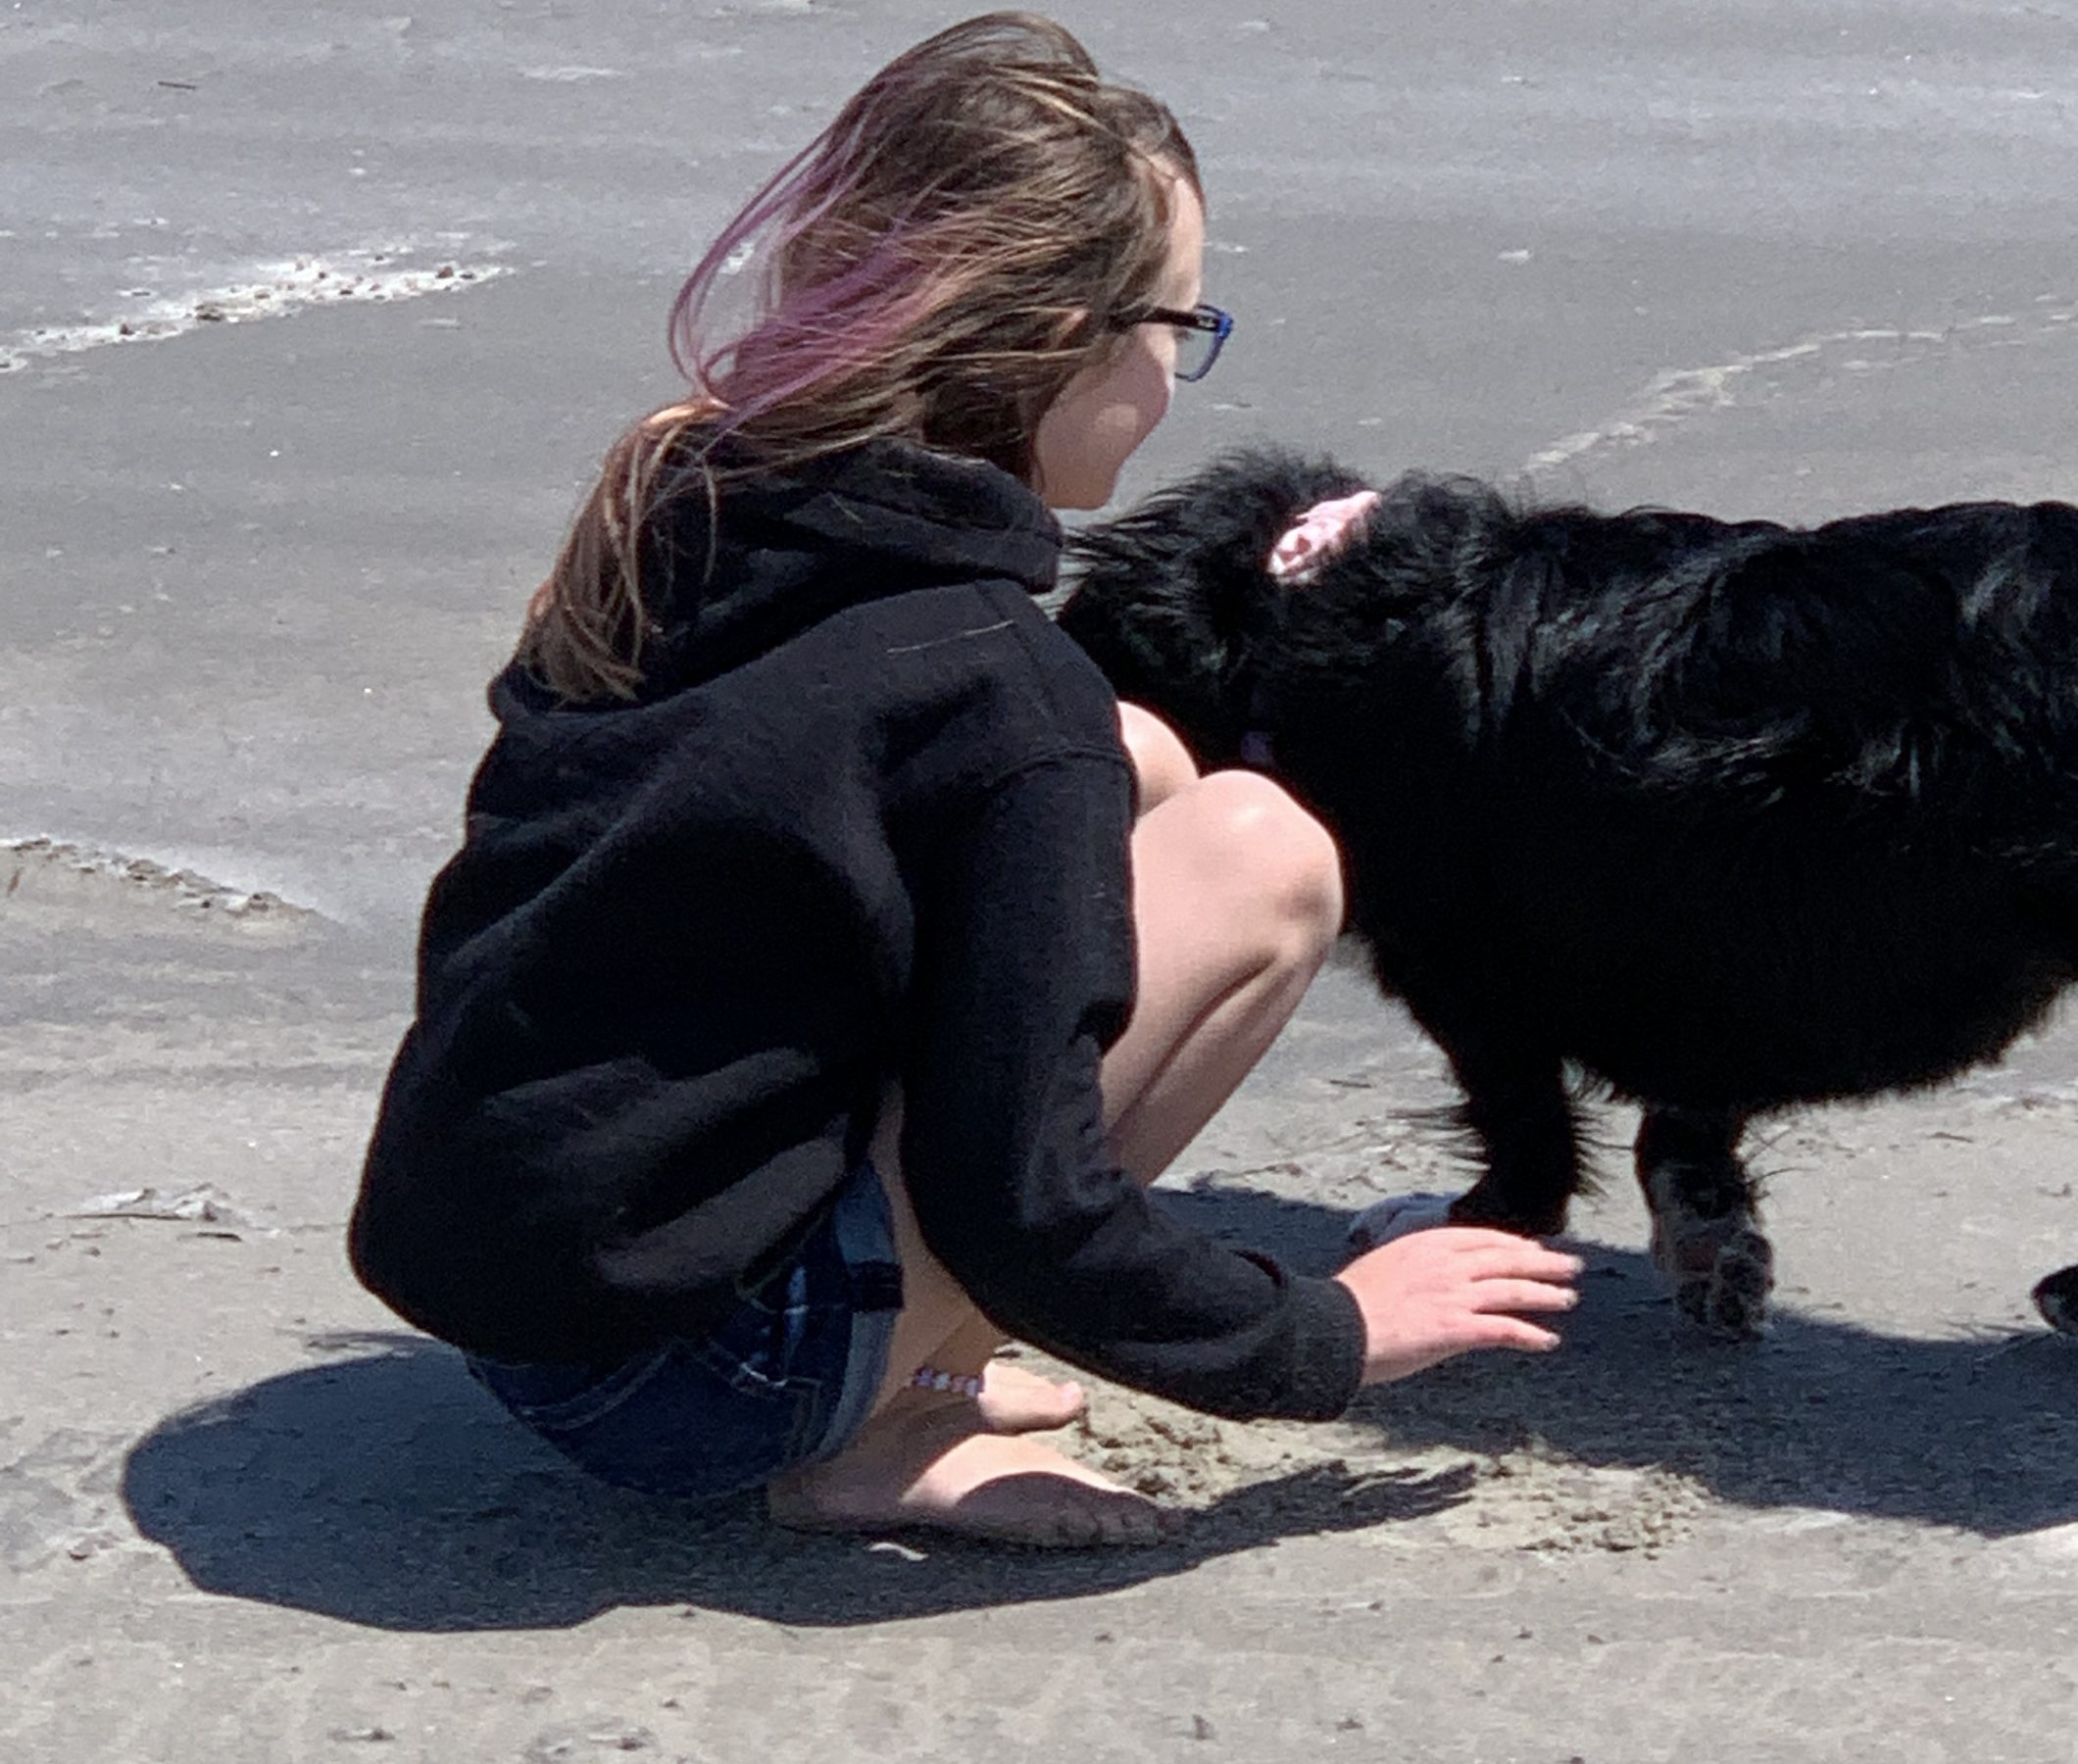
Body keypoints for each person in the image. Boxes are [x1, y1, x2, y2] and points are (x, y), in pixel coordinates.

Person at [348, 12, 1581, 1548]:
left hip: (527, 1308)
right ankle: (878, 1424)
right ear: (1071, 345)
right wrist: (1326, 1334)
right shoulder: (996, 690)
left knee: (1138, 766)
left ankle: (887, 1348)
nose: (1182, 373)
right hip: (705, 1380)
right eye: (1180, 328)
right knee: (1262, 853)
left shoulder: (686, 515)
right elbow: (1025, 1197)